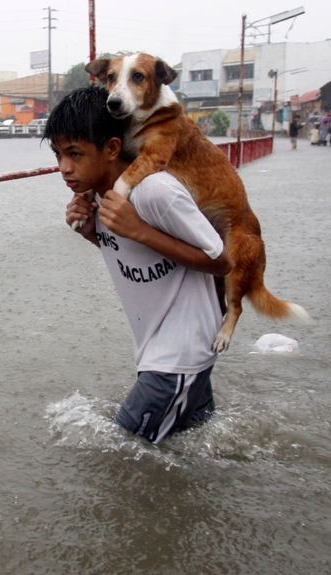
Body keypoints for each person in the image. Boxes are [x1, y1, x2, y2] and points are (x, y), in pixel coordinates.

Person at [44, 87, 233, 444]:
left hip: (178, 354)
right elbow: (130, 252)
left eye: (74, 153)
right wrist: (89, 231)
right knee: (196, 448)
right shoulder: (98, 196)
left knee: (121, 454)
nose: (64, 167)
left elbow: (221, 261)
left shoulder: (154, 191)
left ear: (112, 148)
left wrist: (141, 230)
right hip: (163, 348)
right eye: (58, 154)